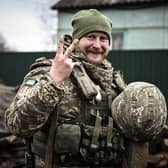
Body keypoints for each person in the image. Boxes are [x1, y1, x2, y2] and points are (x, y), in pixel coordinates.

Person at [5, 9, 150, 168]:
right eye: (90, 37)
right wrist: (53, 80)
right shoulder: (49, 71)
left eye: (103, 39)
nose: (97, 45)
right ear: (76, 40)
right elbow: (16, 124)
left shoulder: (115, 83)